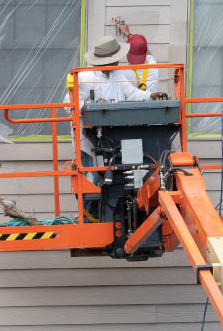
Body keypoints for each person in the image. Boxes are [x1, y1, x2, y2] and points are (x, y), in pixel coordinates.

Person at [64, 35, 166, 221]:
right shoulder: (84, 77)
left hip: (116, 137)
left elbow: (131, 93)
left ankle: (115, 219)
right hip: (89, 140)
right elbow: (68, 103)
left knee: (123, 178)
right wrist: (89, 105)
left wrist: (150, 95)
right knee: (91, 180)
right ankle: (89, 222)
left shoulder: (119, 74)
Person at [117, 24, 158, 92]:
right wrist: (128, 34)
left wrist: (128, 35)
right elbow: (144, 49)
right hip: (152, 101)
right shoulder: (153, 63)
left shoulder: (126, 71)